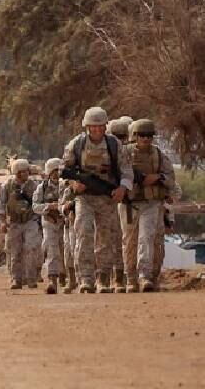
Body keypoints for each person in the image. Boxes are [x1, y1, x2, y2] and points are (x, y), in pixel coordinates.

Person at [62, 106, 133, 293]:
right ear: (86, 127)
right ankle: (85, 279)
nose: (97, 130)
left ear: (105, 126)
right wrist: (73, 183)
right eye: (93, 126)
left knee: (105, 239)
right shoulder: (76, 144)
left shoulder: (114, 144)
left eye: (100, 126)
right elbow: (64, 169)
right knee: (84, 234)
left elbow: (126, 169)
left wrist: (123, 188)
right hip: (84, 198)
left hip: (106, 198)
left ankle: (103, 278)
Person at [123, 119, 174, 292]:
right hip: (130, 204)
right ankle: (130, 277)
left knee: (147, 238)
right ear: (135, 136)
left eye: (149, 136)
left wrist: (158, 178)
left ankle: (145, 276)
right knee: (130, 242)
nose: (146, 139)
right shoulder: (125, 154)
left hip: (152, 203)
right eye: (142, 135)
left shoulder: (158, 154)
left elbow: (171, 178)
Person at [0, 159, 41, 290]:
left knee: (31, 248)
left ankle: (31, 278)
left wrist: (40, 220)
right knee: (14, 251)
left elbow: (39, 202)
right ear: (17, 173)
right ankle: (16, 279)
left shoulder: (34, 186)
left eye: (27, 171)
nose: (26, 174)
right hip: (14, 222)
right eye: (22, 172)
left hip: (30, 221)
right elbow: (0, 204)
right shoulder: (7, 186)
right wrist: (2, 221)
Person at [33, 158, 68, 294]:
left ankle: (66, 277)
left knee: (67, 250)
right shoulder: (42, 188)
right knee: (52, 251)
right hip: (50, 222)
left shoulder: (66, 185)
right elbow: (35, 206)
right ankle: (52, 280)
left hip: (66, 222)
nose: (57, 174)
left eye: (59, 171)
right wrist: (49, 206)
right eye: (55, 171)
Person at [108, 117, 134, 291]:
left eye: (123, 136)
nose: (120, 140)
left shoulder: (136, 152)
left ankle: (130, 276)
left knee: (131, 242)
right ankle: (115, 278)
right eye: (117, 136)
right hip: (108, 202)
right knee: (111, 241)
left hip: (132, 202)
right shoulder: (106, 152)